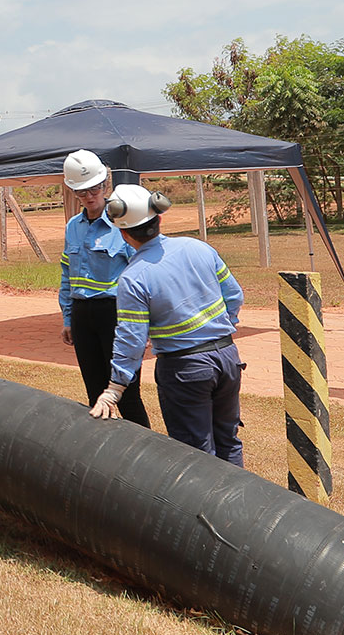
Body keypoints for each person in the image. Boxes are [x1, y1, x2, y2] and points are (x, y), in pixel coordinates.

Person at [89, 184, 246, 463]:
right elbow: (234, 295)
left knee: (196, 454)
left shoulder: (133, 278)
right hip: (227, 358)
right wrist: (220, 329)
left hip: (185, 369)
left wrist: (115, 389)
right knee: (228, 441)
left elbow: (132, 339)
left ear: (123, 234)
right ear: (159, 218)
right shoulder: (199, 247)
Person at [58, 150, 149, 426]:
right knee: (95, 392)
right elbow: (67, 275)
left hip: (115, 314)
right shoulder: (73, 226)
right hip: (83, 317)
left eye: (94, 188)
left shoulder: (123, 222)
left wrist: (142, 325)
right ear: (74, 192)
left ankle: (146, 456)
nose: (89, 196)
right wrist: (68, 318)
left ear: (105, 185)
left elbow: (143, 276)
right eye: (82, 191)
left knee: (128, 394)